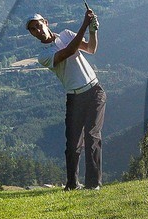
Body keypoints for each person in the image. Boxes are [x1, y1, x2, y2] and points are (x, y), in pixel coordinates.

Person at [26, 10, 106, 190]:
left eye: (38, 25)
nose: (38, 30)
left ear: (46, 22)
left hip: (95, 91)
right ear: (32, 34)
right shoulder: (43, 55)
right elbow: (68, 52)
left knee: (92, 136)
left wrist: (93, 31)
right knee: (72, 143)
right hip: (74, 97)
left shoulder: (67, 34)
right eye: (33, 30)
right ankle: (72, 185)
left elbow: (91, 49)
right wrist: (85, 24)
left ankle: (93, 185)